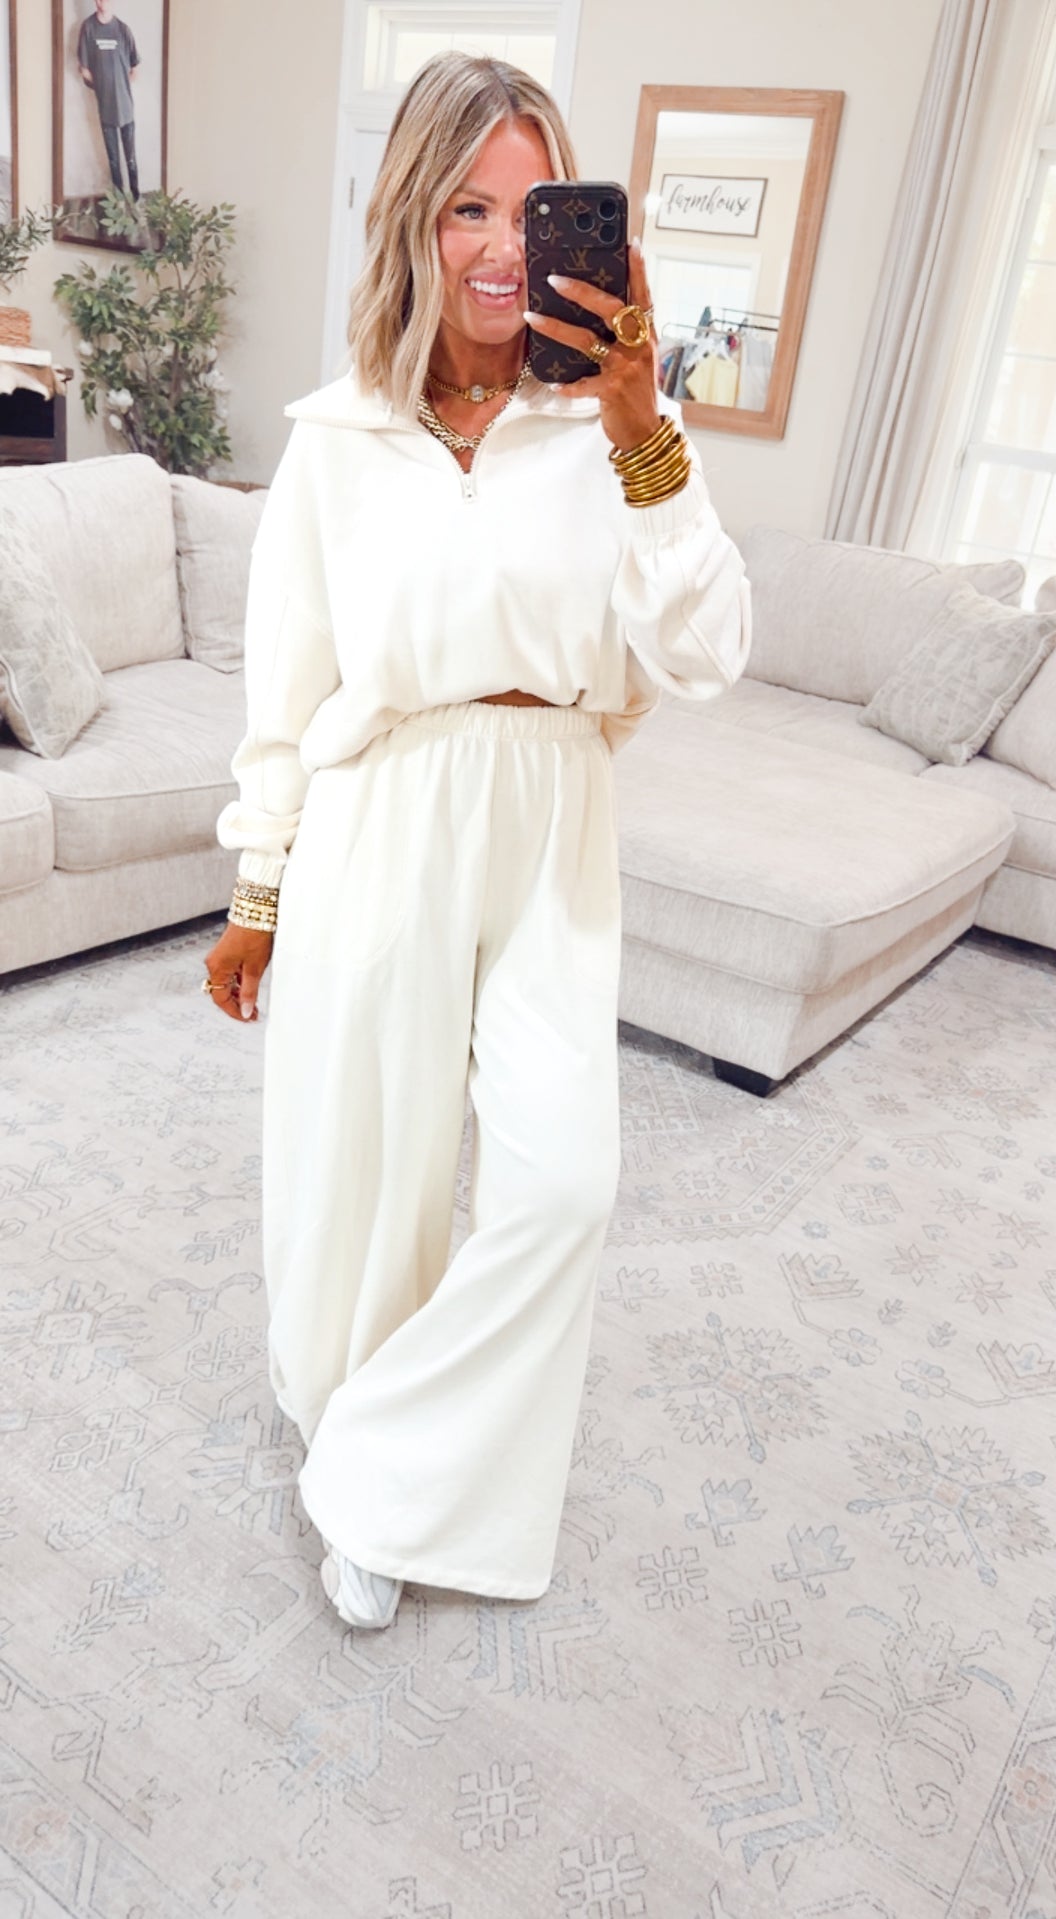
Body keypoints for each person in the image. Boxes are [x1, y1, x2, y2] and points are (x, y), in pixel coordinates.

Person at [203, 52, 752, 1632]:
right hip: (381, 809)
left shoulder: (616, 427)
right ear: (414, 219)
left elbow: (708, 649)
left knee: (563, 1181)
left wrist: (641, 422)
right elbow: (287, 688)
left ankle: (382, 1466)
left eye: (536, 209)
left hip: (553, 810)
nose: (507, 248)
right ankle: (361, 1461)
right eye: (468, 209)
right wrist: (258, 887)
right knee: (364, 1181)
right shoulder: (336, 437)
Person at [77, 0, 140, 199]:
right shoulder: (88, 28)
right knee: (113, 159)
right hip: (106, 108)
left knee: (131, 158)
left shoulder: (123, 30)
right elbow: (84, 69)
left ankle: (135, 197)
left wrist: (120, 87)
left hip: (126, 108)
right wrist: (103, 88)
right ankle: (118, 200)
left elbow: (135, 68)